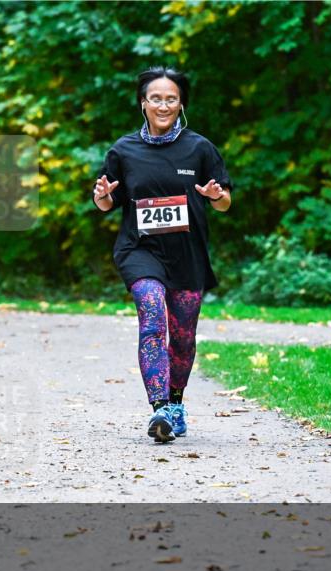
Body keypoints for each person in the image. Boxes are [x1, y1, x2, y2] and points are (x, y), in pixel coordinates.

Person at [93, 66, 233, 443]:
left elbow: (225, 202)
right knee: (152, 317)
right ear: (144, 103)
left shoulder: (199, 148)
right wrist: (102, 196)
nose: (163, 104)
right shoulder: (123, 151)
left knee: (184, 337)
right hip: (140, 250)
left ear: (181, 103)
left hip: (187, 255)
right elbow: (107, 202)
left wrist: (217, 197)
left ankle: (175, 403)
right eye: (156, 98)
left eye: (171, 98)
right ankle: (159, 409)